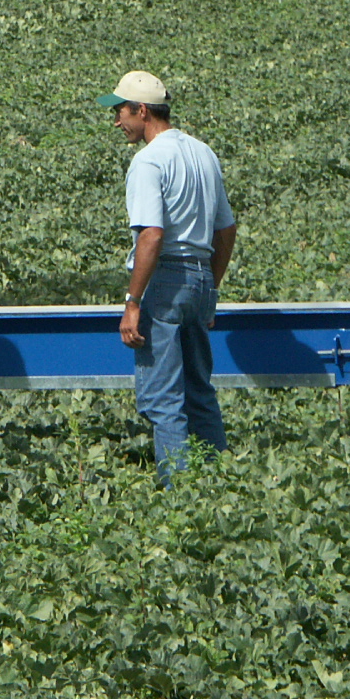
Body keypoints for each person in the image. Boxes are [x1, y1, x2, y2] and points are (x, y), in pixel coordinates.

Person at [97, 70, 236, 483]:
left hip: (166, 284)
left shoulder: (148, 161)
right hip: (199, 277)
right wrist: (211, 287)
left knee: (163, 399)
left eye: (120, 111)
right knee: (199, 390)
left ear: (142, 110)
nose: (117, 120)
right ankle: (217, 480)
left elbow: (152, 235)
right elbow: (226, 230)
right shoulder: (203, 153)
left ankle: (178, 493)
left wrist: (133, 302)